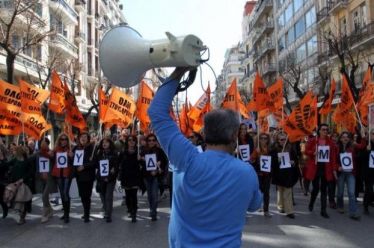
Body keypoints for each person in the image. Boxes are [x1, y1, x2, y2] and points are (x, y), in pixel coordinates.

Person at [148, 67, 262, 247]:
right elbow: (255, 205)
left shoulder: (186, 159)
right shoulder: (247, 172)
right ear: (234, 136)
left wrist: (179, 72)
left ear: (204, 133)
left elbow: (156, 112)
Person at [304, 124, 337, 218]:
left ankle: (323, 210)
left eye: (327, 129)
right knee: (315, 188)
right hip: (315, 167)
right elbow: (306, 151)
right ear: (319, 131)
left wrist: (334, 169)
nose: (325, 131)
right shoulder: (313, 140)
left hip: (326, 168)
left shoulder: (330, 142)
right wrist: (312, 153)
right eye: (323, 129)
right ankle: (311, 203)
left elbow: (333, 157)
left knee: (324, 189)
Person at [336, 131, 364, 220]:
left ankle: (353, 212)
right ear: (340, 138)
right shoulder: (336, 148)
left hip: (351, 173)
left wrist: (363, 137)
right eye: (343, 136)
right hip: (341, 173)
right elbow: (333, 160)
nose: (345, 138)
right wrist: (338, 167)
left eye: (347, 136)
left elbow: (362, 146)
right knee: (340, 193)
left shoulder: (353, 146)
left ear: (349, 138)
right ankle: (340, 205)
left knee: (351, 193)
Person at [271, 133, 299, 219]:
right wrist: (277, 160)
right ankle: (281, 206)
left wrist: (293, 162)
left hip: (288, 173)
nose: (283, 141)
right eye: (281, 139)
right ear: (278, 140)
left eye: (284, 139)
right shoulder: (274, 149)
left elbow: (295, 159)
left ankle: (289, 211)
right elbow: (271, 161)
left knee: (288, 191)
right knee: (280, 190)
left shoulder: (290, 148)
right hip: (278, 173)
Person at [140, 134, 166, 221]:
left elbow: (164, 162)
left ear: (156, 141)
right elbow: (140, 163)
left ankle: (153, 211)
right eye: (149, 140)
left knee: (154, 195)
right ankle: (151, 208)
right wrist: (141, 159)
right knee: (150, 195)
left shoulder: (159, 151)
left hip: (155, 176)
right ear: (147, 141)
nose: (151, 142)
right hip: (146, 176)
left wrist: (160, 167)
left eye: (153, 140)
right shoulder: (143, 151)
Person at [94, 137, 119, 223]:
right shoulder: (99, 153)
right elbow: (96, 164)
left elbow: (116, 166)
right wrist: (97, 146)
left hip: (110, 178)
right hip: (101, 178)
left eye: (106, 142)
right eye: (103, 142)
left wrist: (113, 171)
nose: (104, 144)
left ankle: (108, 214)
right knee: (102, 195)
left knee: (108, 196)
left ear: (110, 144)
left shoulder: (114, 153)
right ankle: (106, 209)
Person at [51, 133, 74, 223]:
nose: (63, 141)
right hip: (58, 174)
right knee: (62, 194)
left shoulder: (70, 149)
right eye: (62, 139)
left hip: (67, 174)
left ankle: (67, 215)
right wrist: (51, 155)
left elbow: (74, 162)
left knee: (65, 193)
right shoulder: (56, 149)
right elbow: (52, 160)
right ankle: (65, 213)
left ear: (67, 141)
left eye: (65, 139)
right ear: (59, 140)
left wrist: (71, 157)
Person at [73, 132, 96, 223]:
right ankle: (85, 211)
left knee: (87, 196)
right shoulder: (76, 148)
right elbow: (74, 162)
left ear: (88, 138)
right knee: (82, 195)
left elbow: (95, 162)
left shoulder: (92, 148)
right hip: (79, 176)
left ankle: (87, 214)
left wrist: (85, 166)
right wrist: (71, 156)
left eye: (85, 137)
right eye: (81, 137)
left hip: (88, 176)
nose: (83, 138)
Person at [119, 135, 142, 223]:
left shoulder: (138, 152)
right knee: (128, 196)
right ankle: (129, 209)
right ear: (127, 142)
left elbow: (143, 164)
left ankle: (134, 213)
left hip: (135, 176)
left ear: (136, 142)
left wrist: (140, 159)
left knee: (134, 195)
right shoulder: (123, 152)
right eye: (129, 140)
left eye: (133, 140)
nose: (131, 141)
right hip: (126, 176)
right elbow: (118, 163)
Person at [251, 133, 272, 217]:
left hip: (267, 174)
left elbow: (273, 159)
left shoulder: (270, 149)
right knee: (260, 191)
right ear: (258, 140)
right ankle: (259, 205)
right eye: (261, 138)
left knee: (266, 191)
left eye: (265, 138)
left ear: (268, 140)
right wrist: (256, 155)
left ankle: (266, 210)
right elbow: (251, 159)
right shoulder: (257, 149)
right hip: (259, 173)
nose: (263, 140)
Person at [0, 146, 9, 218]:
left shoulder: (4, 160)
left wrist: (2, 159)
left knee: (1, 198)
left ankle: (5, 208)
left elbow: (6, 168)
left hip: (2, 181)